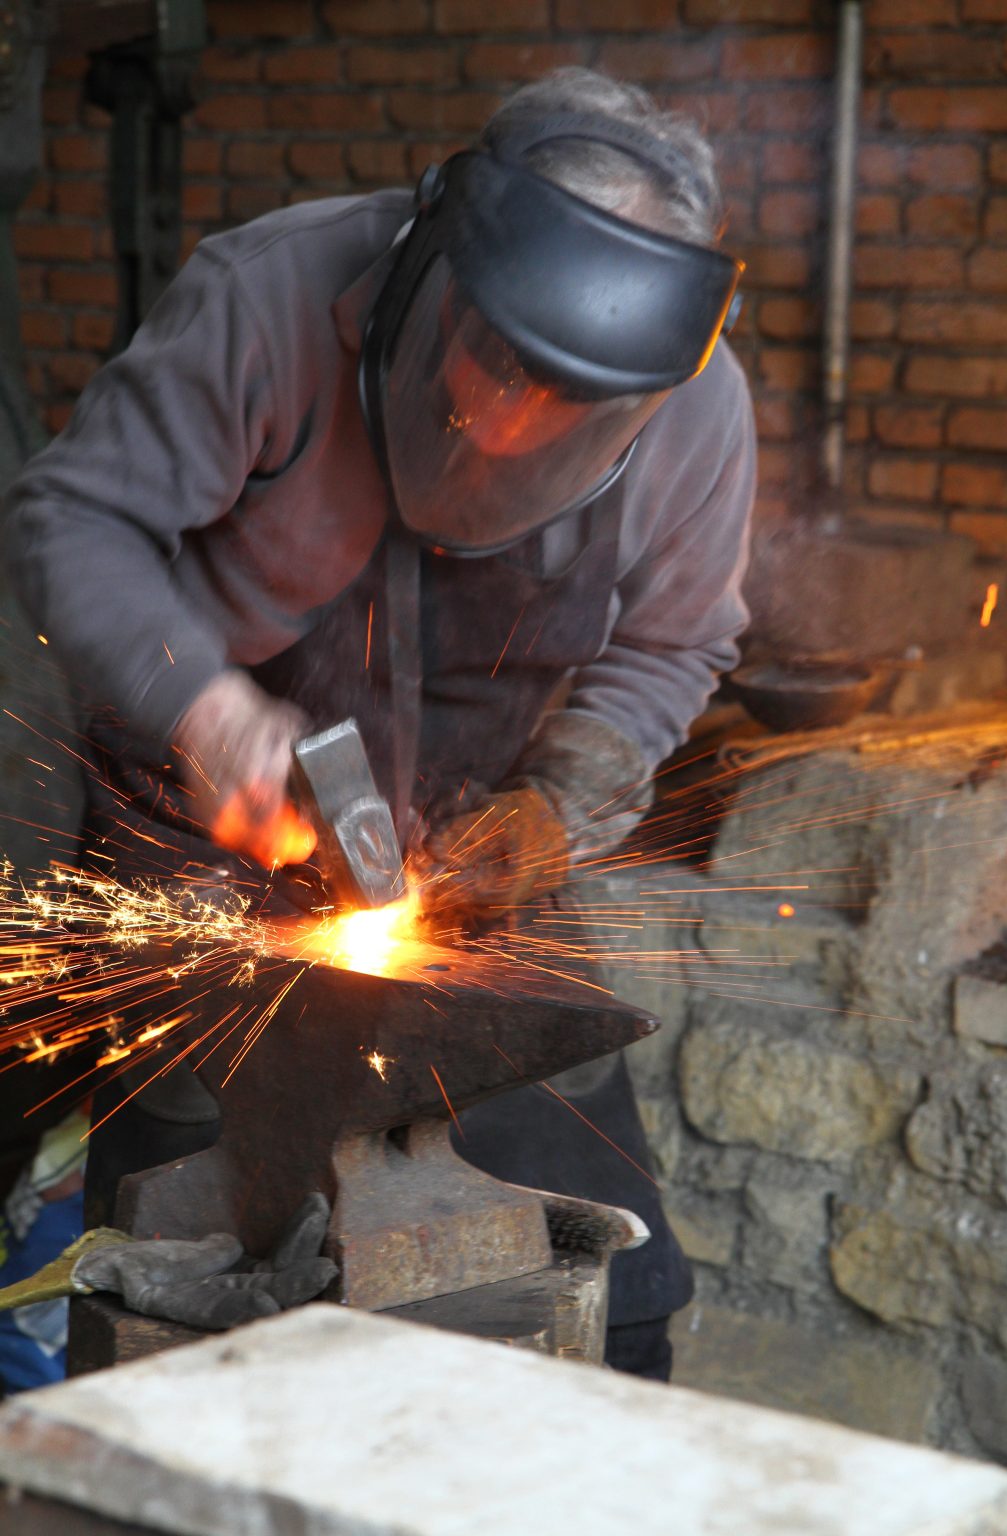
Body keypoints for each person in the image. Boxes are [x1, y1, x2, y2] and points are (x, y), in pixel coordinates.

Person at [4, 68, 756, 1381]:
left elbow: (675, 643)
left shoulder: (696, 403)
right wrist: (205, 707)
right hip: (210, 837)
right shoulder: (269, 298)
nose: (512, 428)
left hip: (481, 854)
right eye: (490, 378)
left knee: (610, 1288)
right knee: (196, 1275)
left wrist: (562, 799)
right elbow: (71, 519)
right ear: (441, 263)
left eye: (562, 412)